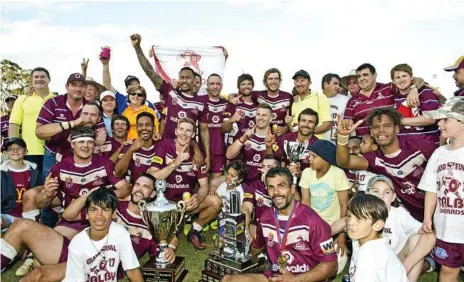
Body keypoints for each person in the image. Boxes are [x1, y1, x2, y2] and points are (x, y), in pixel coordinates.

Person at [222, 167, 338, 282]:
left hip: (304, 279)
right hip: (276, 277)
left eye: (281, 186)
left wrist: (294, 280)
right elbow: (256, 248)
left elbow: (332, 266)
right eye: (271, 187)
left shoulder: (312, 221)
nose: (276, 192)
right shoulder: (266, 218)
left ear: (292, 189)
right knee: (228, 279)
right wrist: (234, 247)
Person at [336, 107, 435, 221]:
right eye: (376, 127)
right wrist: (343, 137)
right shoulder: (375, 158)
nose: (381, 130)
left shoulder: (420, 145)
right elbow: (345, 162)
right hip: (411, 219)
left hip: (438, 210)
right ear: (372, 132)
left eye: (387, 126)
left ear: (397, 128)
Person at [130, 33, 210, 170]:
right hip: (165, 147)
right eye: (182, 77)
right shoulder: (170, 92)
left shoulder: (202, 103)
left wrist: (206, 155)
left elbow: (203, 131)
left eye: (188, 78)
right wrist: (138, 48)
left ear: (195, 80)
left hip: (186, 149)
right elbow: (150, 73)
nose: (184, 80)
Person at [34, 127, 130, 239]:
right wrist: (46, 194)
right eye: (81, 142)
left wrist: (103, 195)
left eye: (90, 142)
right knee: (56, 241)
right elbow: (40, 204)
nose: (86, 145)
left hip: (101, 216)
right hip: (74, 218)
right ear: (72, 145)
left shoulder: (104, 163)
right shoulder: (60, 168)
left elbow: (126, 188)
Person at [148, 117, 222, 250]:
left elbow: (204, 185)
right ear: (176, 131)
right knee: (168, 242)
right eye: (181, 129)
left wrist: (198, 198)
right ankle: (176, 225)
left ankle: (194, 230)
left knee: (216, 202)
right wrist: (176, 163)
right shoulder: (164, 146)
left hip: (186, 204)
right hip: (166, 205)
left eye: (188, 131)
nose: (184, 133)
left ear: (193, 134)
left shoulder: (197, 155)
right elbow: (152, 176)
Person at [420, 97, 464, 282]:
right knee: (447, 270)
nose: (440, 123)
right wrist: (427, 217)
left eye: (446, 119)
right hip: (447, 226)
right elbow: (432, 189)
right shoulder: (439, 154)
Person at [366, 175, 436, 282]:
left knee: (418, 240)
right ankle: (428, 264)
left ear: (393, 197)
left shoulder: (400, 214)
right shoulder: (360, 213)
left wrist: (404, 268)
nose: (381, 196)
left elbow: (428, 236)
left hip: (396, 261)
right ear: (367, 194)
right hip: (370, 263)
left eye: (387, 192)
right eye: (376, 191)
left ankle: (404, 276)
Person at [64, 188, 143, 281]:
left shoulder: (120, 233)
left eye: (105, 210)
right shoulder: (77, 244)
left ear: (114, 213)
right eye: (93, 210)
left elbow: (132, 270)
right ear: (87, 213)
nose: (99, 216)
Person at [299, 140, 350, 257]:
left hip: (334, 227)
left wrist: (342, 235)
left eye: (314, 156)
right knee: (308, 257)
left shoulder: (338, 174)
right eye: (309, 155)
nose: (309, 159)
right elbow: (305, 202)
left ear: (325, 159)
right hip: (313, 225)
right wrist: (305, 227)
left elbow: (344, 205)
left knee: (333, 259)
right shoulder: (307, 173)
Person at [343, 63, 422, 136]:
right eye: (359, 76)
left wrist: (413, 89)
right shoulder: (352, 101)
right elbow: (347, 123)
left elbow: (416, 80)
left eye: (365, 75)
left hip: (391, 140)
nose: (361, 78)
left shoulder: (389, 88)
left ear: (374, 76)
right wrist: (347, 123)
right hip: (365, 144)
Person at [346, 193, 408, 282]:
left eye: (359, 218)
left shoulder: (369, 254)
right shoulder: (362, 238)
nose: (350, 222)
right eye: (349, 215)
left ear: (377, 225)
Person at [9, 67, 55, 172]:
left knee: (49, 186)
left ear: (49, 79)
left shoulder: (56, 99)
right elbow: (14, 125)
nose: (39, 79)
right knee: (31, 187)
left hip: (52, 152)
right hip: (28, 151)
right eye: (36, 77)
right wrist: (14, 148)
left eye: (43, 76)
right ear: (31, 80)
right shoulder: (22, 99)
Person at [228, 69, 293, 137]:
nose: (273, 81)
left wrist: (285, 129)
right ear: (265, 82)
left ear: (280, 81)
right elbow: (243, 93)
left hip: (281, 138)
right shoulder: (258, 95)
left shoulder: (288, 97)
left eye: (276, 79)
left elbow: (292, 119)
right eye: (270, 79)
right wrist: (232, 98)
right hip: (263, 138)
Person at [391, 64, 441, 145]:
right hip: (404, 146)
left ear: (411, 78)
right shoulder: (395, 96)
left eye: (404, 76)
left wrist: (398, 121)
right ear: (393, 81)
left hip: (427, 144)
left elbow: (431, 118)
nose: (401, 80)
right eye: (397, 77)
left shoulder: (426, 92)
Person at [55, 102, 122, 162]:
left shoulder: (108, 141)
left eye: (93, 115)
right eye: (85, 114)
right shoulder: (68, 139)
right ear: (80, 115)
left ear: (99, 118)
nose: (88, 118)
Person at [267, 108, 319, 182]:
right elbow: (273, 160)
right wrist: (268, 147)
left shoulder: (318, 145)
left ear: (316, 126)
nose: (306, 125)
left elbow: (318, 174)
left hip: (307, 185)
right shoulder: (286, 138)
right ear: (298, 122)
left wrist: (300, 174)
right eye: (303, 121)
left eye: (310, 122)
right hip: (285, 182)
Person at [226, 103, 272, 182]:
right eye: (258, 114)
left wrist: (269, 146)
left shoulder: (275, 139)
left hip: (263, 183)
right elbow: (229, 155)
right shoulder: (245, 135)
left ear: (270, 118)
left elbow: (274, 165)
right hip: (243, 182)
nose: (260, 118)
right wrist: (243, 139)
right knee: (214, 183)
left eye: (264, 115)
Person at [1, 138, 42, 225]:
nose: (15, 151)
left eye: (19, 148)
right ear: (6, 153)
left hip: (28, 215)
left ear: (26, 151)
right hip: (6, 214)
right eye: (11, 149)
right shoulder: (2, 172)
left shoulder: (34, 171)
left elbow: (40, 194)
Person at [242, 155, 280, 241]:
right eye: (263, 166)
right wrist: (246, 231)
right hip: (259, 226)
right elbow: (246, 208)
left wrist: (268, 183)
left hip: (279, 227)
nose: (264, 169)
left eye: (269, 167)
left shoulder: (284, 186)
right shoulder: (255, 185)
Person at [115, 112, 158, 183]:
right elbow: (118, 173)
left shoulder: (161, 145)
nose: (144, 128)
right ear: (137, 128)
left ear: (154, 128)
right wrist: (131, 150)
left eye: (147, 125)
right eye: (140, 125)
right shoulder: (128, 146)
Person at [204, 74, 229, 190]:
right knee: (201, 186)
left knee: (214, 188)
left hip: (219, 152)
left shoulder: (228, 105)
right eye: (212, 84)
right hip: (202, 151)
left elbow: (228, 128)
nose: (215, 86)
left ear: (222, 86)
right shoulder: (200, 103)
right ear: (207, 85)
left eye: (218, 84)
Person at [290, 70, 332, 139]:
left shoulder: (320, 97)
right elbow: (293, 127)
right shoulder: (294, 101)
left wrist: (308, 133)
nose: (299, 84)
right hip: (298, 144)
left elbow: (328, 124)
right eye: (297, 81)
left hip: (316, 144)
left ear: (309, 83)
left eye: (302, 80)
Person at [215, 161, 247, 244]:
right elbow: (217, 197)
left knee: (223, 242)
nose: (228, 177)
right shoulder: (223, 185)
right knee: (218, 244)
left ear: (239, 180)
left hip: (235, 222)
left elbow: (240, 212)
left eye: (232, 176)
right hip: (223, 219)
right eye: (228, 173)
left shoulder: (240, 192)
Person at [222, 74, 258, 146]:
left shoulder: (257, 104)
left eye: (249, 84)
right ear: (238, 87)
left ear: (253, 86)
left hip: (253, 148)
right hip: (236, 147)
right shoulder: (233, 104)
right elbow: (224, 129)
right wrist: (232, 120)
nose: (246, 86)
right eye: (243, 84)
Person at [321, 73, 350, 143]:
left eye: (339, 84)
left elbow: (349, 120)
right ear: (325, 84)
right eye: (335, 83)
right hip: (318, 140)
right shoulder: (316, 99)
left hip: (338, 141)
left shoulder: (345, 100)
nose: (338, 87)